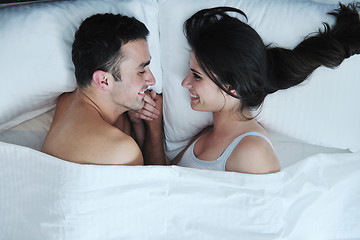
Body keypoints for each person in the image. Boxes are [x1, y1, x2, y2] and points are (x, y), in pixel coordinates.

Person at [162, 4, 359, 173]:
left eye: (196, 76)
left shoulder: (252, 154)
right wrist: (152, 127)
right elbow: (163, 181)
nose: (185, 83)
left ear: (233, 88)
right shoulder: (207, 134)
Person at [41, 13, 167, 165]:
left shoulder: (68, 101)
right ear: (104, 81)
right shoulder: (121, 151)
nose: (152, 80)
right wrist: (155, 130)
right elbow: (160, 185)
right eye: (141, 71)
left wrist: (139, 124)